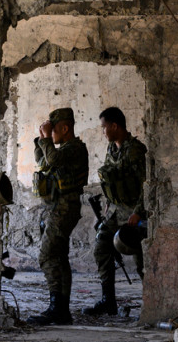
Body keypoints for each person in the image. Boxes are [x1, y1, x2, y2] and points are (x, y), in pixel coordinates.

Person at [27, 107, 89, 325]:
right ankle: (61, 310)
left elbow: (52, 159)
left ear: (64, 128)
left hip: (64, 208)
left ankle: (57, 308)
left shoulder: (75, 149)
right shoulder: (62, 149)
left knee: (46, 256)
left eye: (53, 130)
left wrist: (47, 142)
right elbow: (43, 161)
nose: (51, 134)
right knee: (59, 258)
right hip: (57, 208)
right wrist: (41, 139)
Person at [84, 106, 147, 316]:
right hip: (116, 210)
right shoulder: (112, 149)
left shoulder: (136, 150)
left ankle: (150, 300)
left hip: (134, 211)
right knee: (101, 246)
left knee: (141, 259)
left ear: (114, 126)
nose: (103, 133)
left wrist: (138, 211)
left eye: (104, 128)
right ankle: (107, 300)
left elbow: (146, 184)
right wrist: (107, 207)